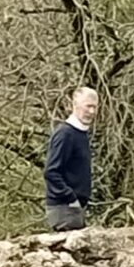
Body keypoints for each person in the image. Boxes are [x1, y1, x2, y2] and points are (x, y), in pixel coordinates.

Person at [44, 87, 98, 229]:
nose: (92, 112)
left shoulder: (81, 134)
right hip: (64, 209)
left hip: (74, 208)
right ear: (75, 106)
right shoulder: (65, 134)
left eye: (95, 107)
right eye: (88, 106)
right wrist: (71, 198)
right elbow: (51, 172)